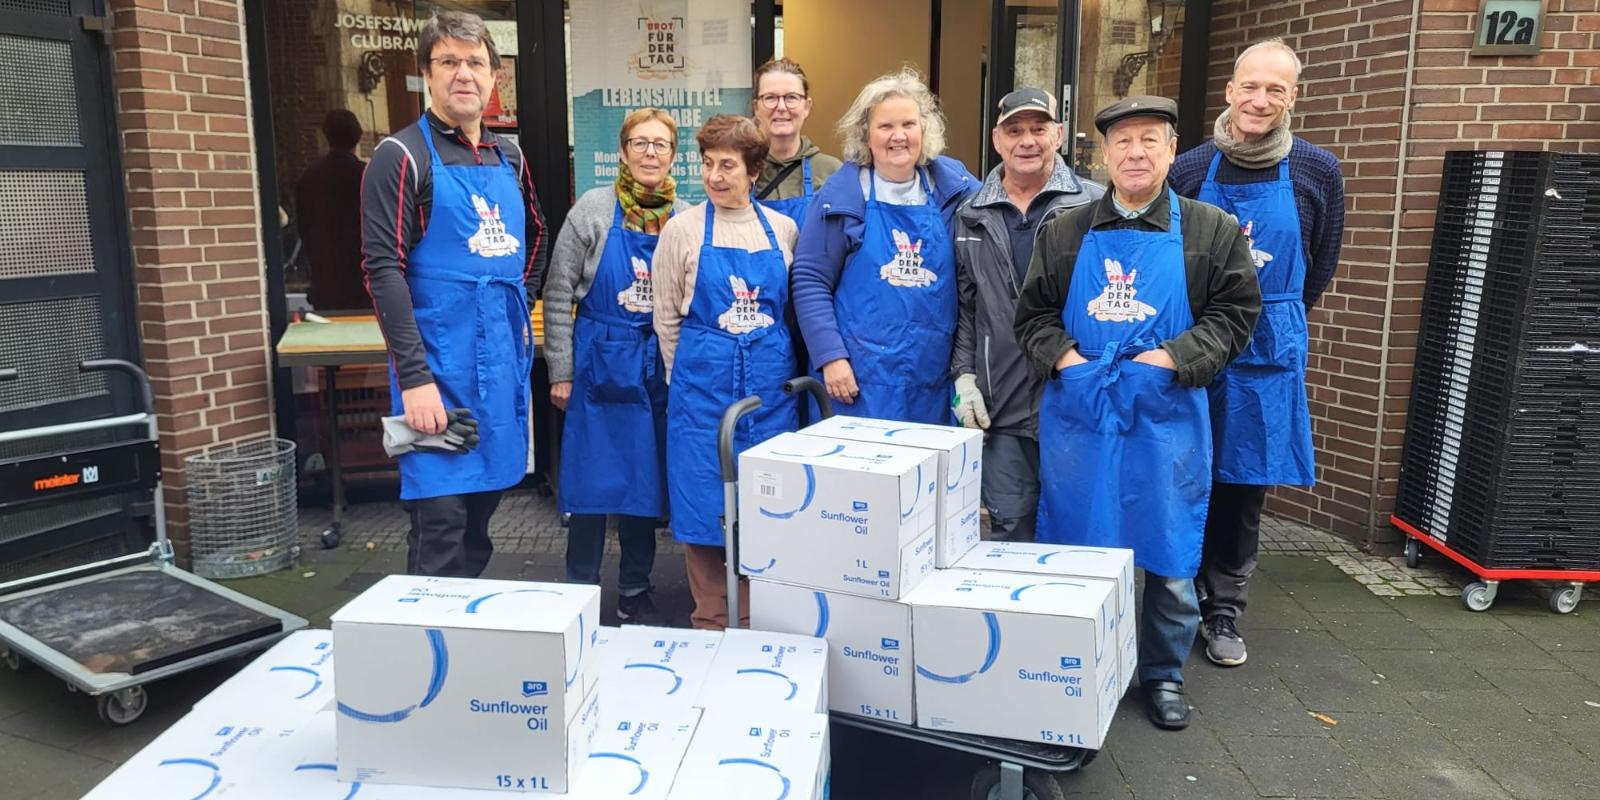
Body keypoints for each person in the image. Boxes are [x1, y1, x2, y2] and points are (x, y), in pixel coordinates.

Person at [1014, 96, 1260, 731]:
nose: (1136, 152)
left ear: (1172, 150)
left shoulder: (1210, 231)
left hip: (1166, 416)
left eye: (1151, 140)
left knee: (1171, 554)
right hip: (1083, 416)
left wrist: (1174, 358)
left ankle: (1162, 673)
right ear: (1103, 154)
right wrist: (1063, 358)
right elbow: (1033, 316)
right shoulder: (1065, 231)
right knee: (1081, 549)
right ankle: (1079, 665)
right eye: (1123, 141)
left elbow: (1236, 315)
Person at [1170, 39, 1345, 669]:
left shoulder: (1317, 171)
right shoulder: (1189, 169)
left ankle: (1224, 611)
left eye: (1276, 89)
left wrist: (1271, 314)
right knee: (1187, 472)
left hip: (1268, 348)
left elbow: (1319, 264)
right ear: (1230, 90)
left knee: (1245, 487)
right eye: (1251, 86)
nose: (1260, 100)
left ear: (1293, 96)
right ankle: (1177, 595)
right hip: (1194, 342)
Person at [361, 11, 548, 578]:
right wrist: (415, 379)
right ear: (426, 73)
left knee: (482, 517)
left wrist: (522, 303)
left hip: (498, 370)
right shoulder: (401, 157)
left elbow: (536, 235)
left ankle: (467, 639)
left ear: (493, 76)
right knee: (440, 520)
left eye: (475, 62)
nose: (463, 74)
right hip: (436, 370)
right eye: (449, 62)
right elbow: (382, 269)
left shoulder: (508, 158)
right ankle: (429, 648)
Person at [653, 115, 800, 630]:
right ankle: (712, 624)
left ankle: (761, 621)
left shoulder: (783, 230)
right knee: (703, 507)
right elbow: (667, 318)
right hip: (701, 397)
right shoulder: (682, 230)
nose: (715, 176)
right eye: (708, 164)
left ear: (754, 170)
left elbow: (791, 312)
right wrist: (692, 379)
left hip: (771, 398)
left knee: (768, 508)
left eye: (728, 166)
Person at [545, 108, 687, 624]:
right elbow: (558, 292)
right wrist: (560, 369)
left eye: (661, 145)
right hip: (598, 361)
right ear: (623, 150)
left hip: (655, 367)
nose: (651, 153)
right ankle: (578, 592)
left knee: (642, 488)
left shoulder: (686, 215)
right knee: (588, 485)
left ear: (674, 155)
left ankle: (634, 590)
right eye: (640, 143)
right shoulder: (592, 210)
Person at [951, 88, 1103, 542]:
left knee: (1079, 531)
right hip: (1003, 409)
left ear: (1058, 135)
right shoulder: (970, 214)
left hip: (1075, 400)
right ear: (997, 141)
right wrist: (963, 377)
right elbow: (967, 308)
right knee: (1008, 530)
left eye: (1039, 129)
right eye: (1015, 130)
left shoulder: (1094, 207)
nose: (1028, 140)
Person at [792, 67, 978, 424]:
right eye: (885, 126)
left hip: (932, 380)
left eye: (908, 124)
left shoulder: (955, 187)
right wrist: (830, 357)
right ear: (865, 134)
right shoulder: (842, 196)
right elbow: (810, 280)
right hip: (857, 381)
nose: (898, 136)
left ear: (925, 130)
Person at [750, 58, 842, 229]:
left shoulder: (832, 172)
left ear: (806, 107)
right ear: (756, 107)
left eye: (791, 97)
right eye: (770, 98)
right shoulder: (743, 169)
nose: (781, 107)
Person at [297, 110, 368, 310]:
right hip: (361, 275)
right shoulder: (367, 176)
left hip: (325, 274)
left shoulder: (309, 177)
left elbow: (303, 226)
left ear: (325, 136)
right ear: (357, 137)